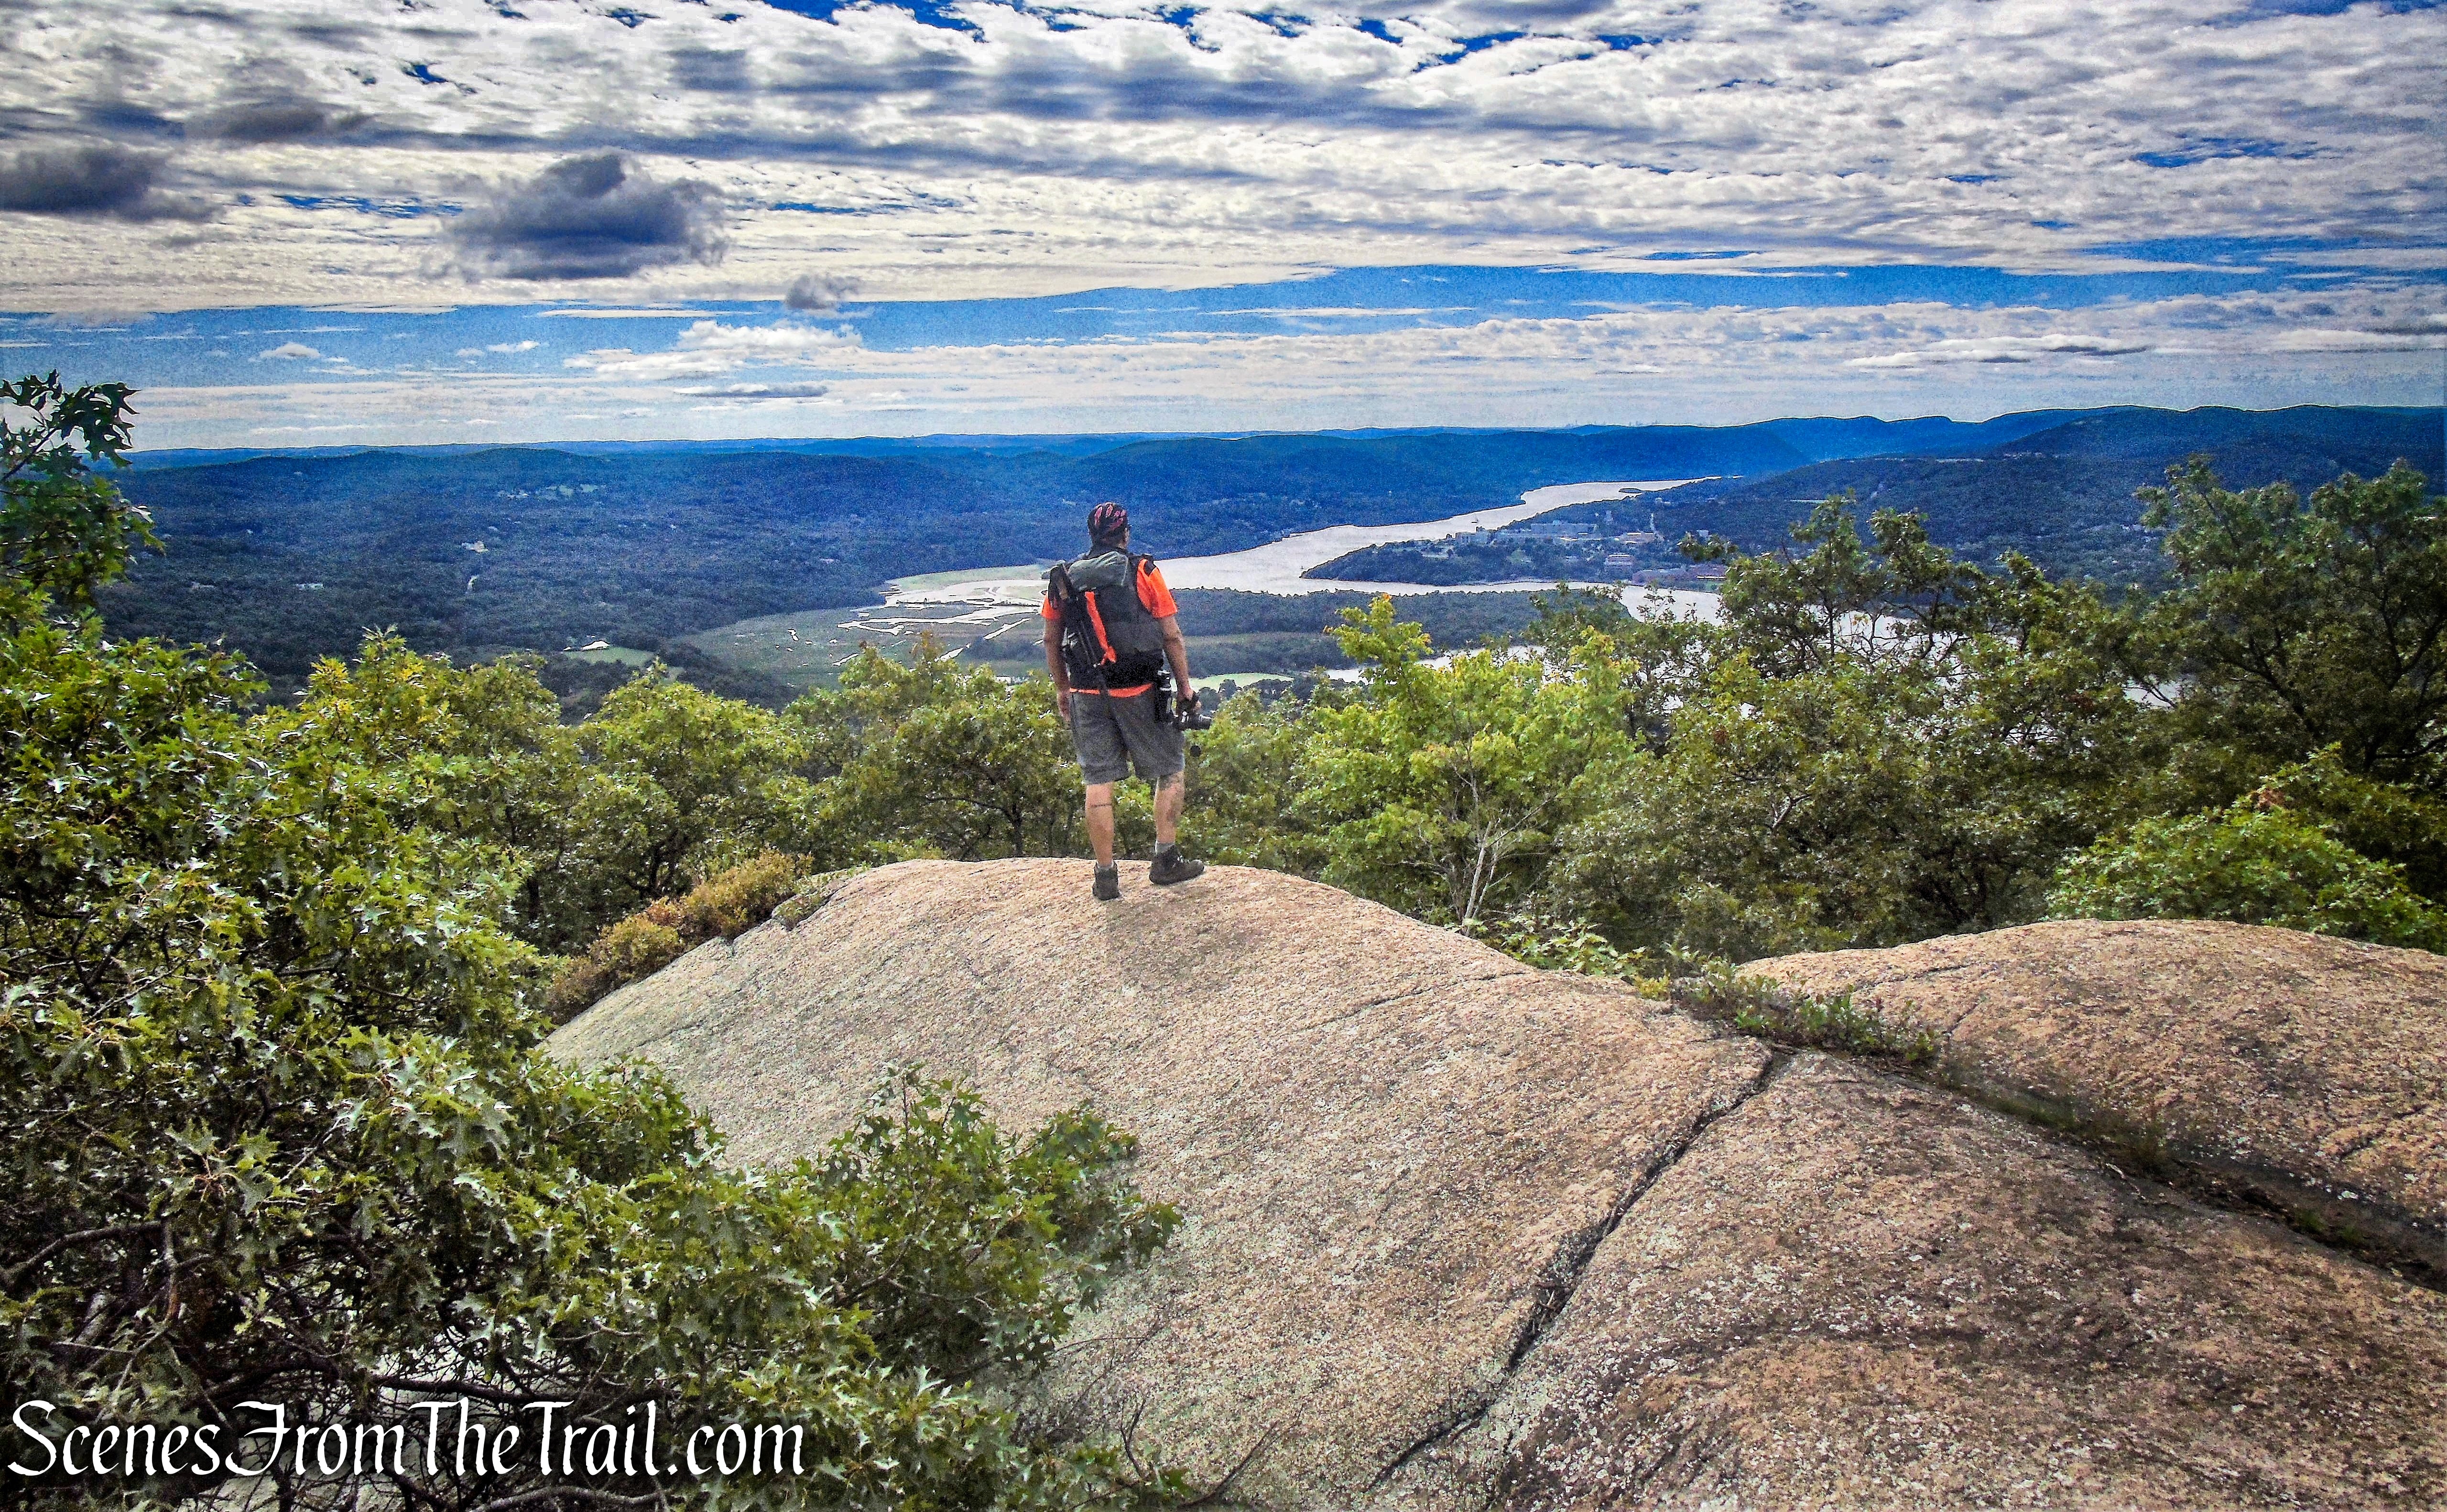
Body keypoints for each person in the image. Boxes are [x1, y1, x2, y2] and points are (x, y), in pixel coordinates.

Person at [1043, 501, 1206, 900]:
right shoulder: (1144, 571)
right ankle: (1165, 859)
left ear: (1091, 535)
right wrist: (1186, 689)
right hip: (1139, 689)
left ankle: (1105, 876)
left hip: (1085, 690)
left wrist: (1062, 688)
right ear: (1125, 534)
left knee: (1097, 781)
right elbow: (1170, 636)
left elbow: (1050, 639)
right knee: (1169, 769)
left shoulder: (1063, 580)